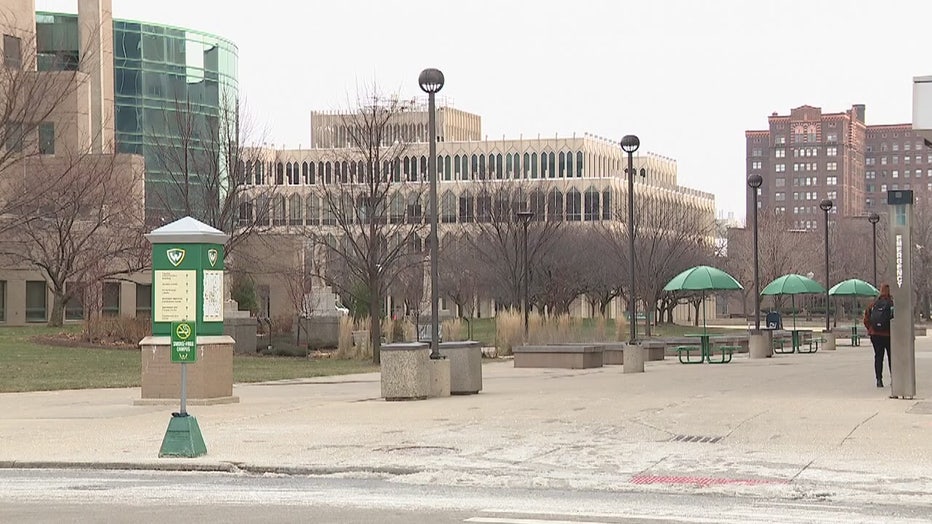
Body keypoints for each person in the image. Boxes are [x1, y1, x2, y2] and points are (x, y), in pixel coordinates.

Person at [863, 284, 893, 388]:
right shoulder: (892, 304)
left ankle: (879, 380)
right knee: (891, 357)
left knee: (878, 357)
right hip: (889, 334)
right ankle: (894, 378)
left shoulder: (873, 304)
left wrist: (871, 329)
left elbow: (866, 320)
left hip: (875, 335)